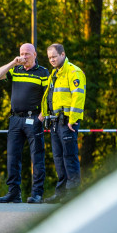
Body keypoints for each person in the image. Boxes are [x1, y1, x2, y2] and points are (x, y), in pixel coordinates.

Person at [0, 43, 51, 203]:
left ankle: (37, 193)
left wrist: (43, 116)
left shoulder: (43, 72)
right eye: (22, 53)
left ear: (35, 55)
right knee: (12, 156)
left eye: (27, 54)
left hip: (34, 118)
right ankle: (13, 193)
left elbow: (49, 95)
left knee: (37, 157)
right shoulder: (15, 70)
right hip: (15, 119)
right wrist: (12, 63)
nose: (24, 57)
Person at [42, 43, 86, 203]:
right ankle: (61, 193)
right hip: (55, 122)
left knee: (69, 156)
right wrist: (45, 115)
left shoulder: (74, 72)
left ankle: (72, 194)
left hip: (68, 122)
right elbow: (50, 96)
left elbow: (78, 96)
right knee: (58, 158)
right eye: (49, 58)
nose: (51, 60)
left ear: (62, 54)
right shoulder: (55, 74)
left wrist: (73, 120)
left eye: (54, 56)